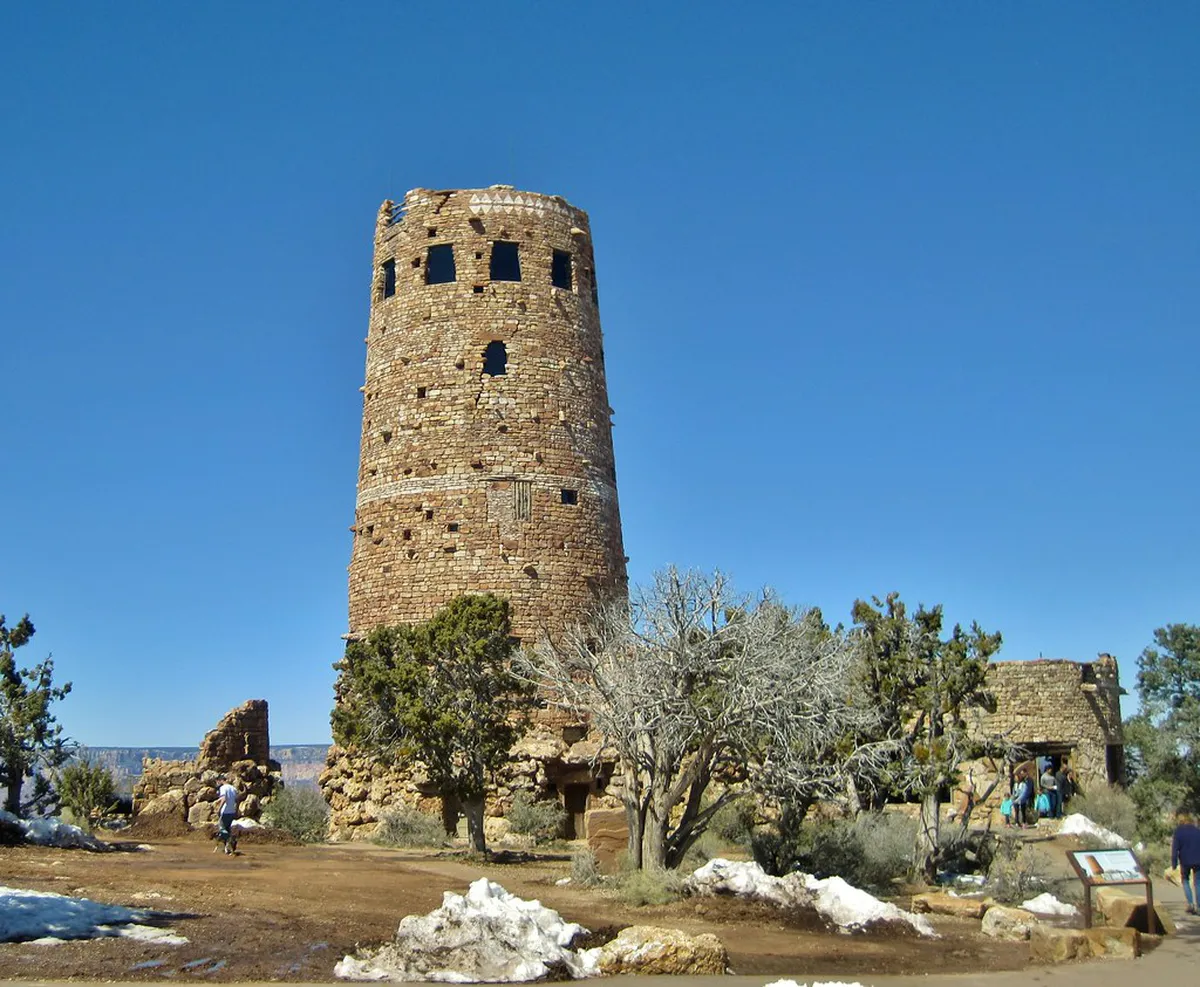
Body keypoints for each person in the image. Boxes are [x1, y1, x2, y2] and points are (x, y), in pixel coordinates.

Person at [1172, 812, 1200, 915]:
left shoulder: (1179, 832)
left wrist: (1174, 863)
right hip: (1199, 861)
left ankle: (1191, 904)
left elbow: (1175, 849)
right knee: (1198, 883)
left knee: (1185, 880)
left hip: (1185, 861)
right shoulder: (1198, 831)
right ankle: (1199, 907)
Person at [215, 776, 239, 855]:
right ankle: (227, 849)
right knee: (227, 829)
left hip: (225, 812)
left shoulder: (223, 788)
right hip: (232, 811)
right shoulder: (233, 788)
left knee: (222, 829)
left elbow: (224, 799)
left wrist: (219, 808)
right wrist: (236, 810)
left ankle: (231, 840)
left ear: (221, 780)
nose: (217, 784)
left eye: (218, 782)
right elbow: (236, 800)